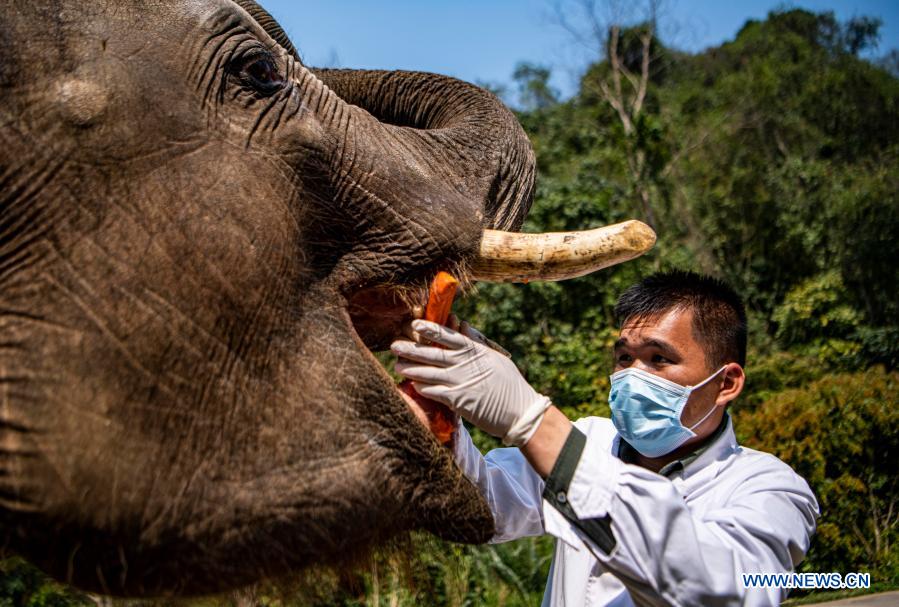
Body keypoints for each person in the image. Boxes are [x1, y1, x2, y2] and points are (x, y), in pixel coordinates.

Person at [392, 270, 819, 606]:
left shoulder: (772, 488)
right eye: (624, 358)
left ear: (726, 383)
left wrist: (531, 419)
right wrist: (441, 418)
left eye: (658, 359)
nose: (633, 375)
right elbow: (487, 507)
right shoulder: (590, 438)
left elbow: (720, 592)